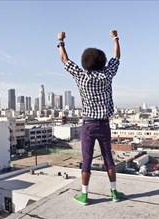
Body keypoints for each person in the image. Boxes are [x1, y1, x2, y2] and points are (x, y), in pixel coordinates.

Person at [57, 30, 121, 205]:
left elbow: (65, 60)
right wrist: (115, 38)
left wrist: (60, 41)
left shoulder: (81, 76)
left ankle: (84, 195)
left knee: (87, 159)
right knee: (108, 157)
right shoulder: (107, 75)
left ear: (85, 62)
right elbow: (117, 57)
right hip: (104, 125)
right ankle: (114, 193)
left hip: (88, 126)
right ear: (102, 61)